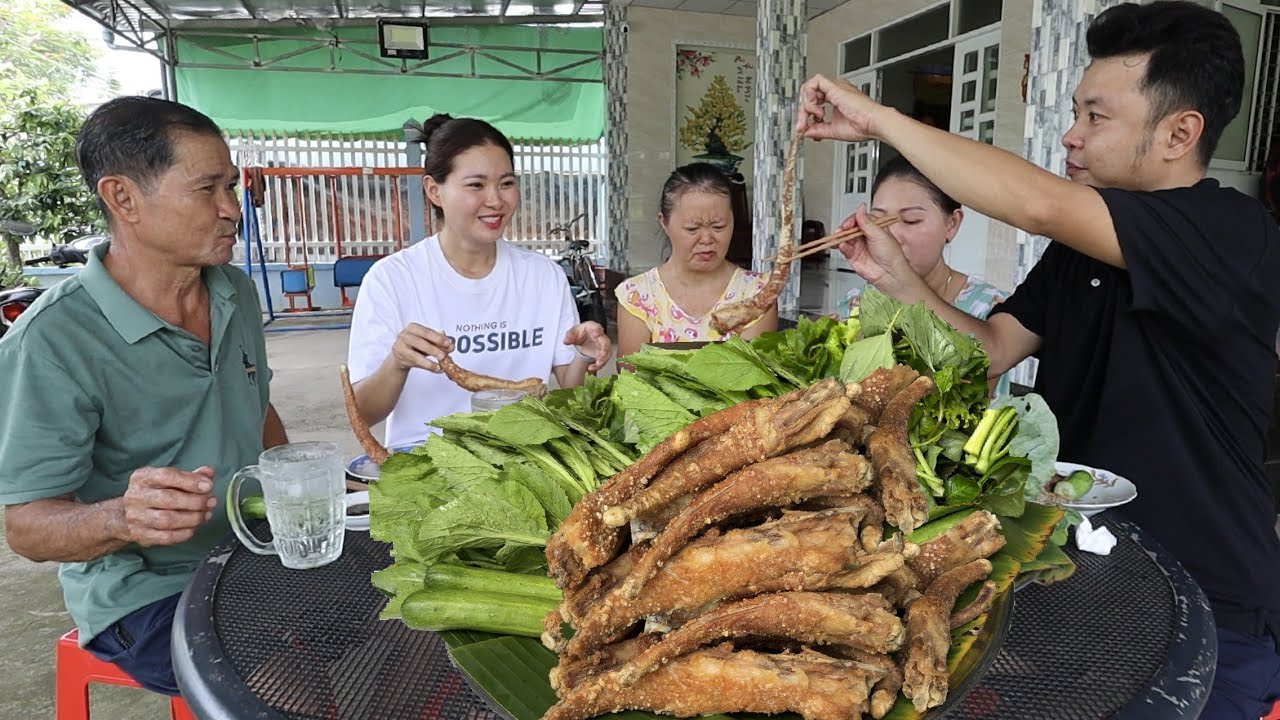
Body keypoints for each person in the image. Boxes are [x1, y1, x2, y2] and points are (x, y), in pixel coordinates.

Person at [797, 2, 1280, 716]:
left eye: (1097, 117)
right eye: (1075, 113)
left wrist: (877, 119)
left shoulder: (1232, 232)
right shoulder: (1078, 251)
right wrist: (898, 276)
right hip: (1089, 578)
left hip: (1214, 602)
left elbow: (1042, 205)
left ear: (1181, 132)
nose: (1072, 135)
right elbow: (989, 350)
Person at [0, 96, 288, 695]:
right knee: (280, 685)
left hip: (253, 552)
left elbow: (255, 408)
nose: (231, 209)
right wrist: (121, 516)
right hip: (143, 591)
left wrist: (300, 480)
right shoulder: (54, 340)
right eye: (206, 189)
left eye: (232, 186)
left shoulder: (234, 290)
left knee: (414, 615)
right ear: (123, 198)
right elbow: (27, 527)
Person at [347, 114, 611, 448]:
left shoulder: (542, 276)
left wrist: (584, 355)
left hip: (523, 458)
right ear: (434, 190)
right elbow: (363, 414)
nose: (496, 200)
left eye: (506, 183)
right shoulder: (392, 280)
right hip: (424, 463)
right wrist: (396, 364)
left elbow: (569, 391)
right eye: (476, 185)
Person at [836, 155, 1010, 396]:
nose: (892, 236)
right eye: (878, 221)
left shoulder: (988, 307)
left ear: (952, 224)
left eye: (911, 220)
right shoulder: (858, 302)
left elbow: (971, 400)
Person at [614, 163, 778, 359]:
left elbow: (754, 373)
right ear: (664, 222)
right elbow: (632, 372)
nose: (707, 239)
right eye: (692, 229)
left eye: (718, 226)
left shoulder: (758, 293)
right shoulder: (638, 296)